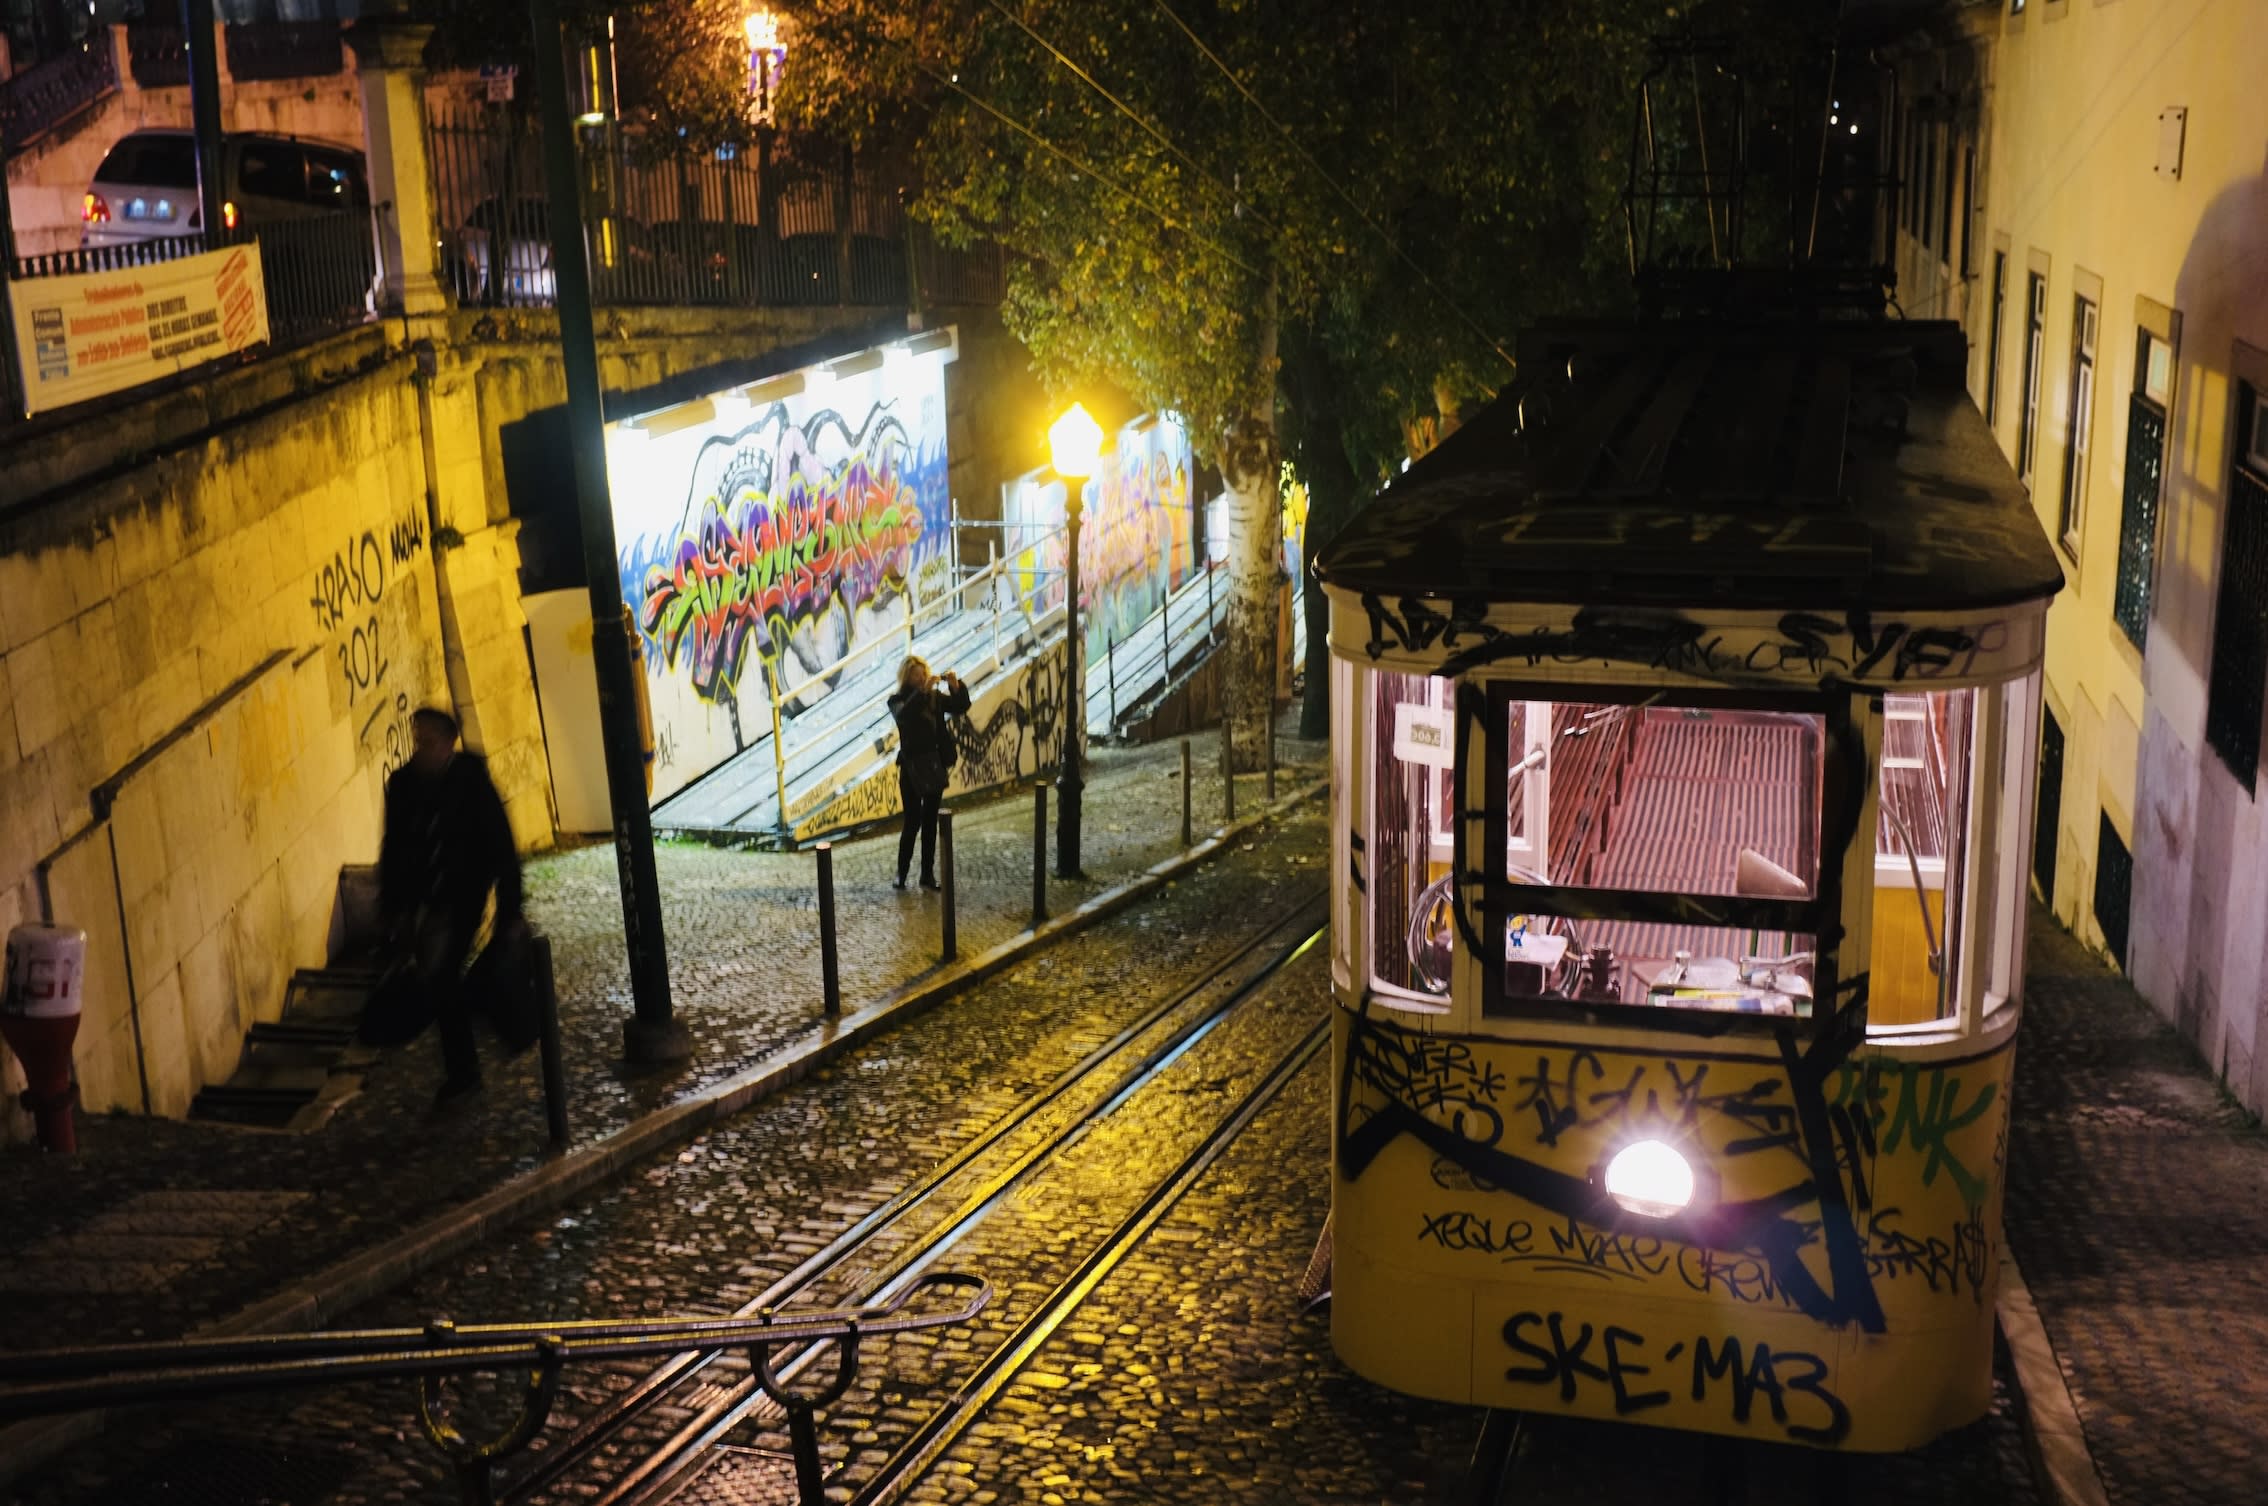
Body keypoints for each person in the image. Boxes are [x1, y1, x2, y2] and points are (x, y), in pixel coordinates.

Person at [379, 707, 525, 1106]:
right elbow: (393, 849)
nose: (420, 748)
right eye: (417, 740)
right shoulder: (404, 784)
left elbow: (501, 844)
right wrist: (394, 910)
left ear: (447, 744)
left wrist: (509, 909)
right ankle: (471, 1058)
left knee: (443, 975)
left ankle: (465, 1071)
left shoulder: (471, 782)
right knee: (441, 980)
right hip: (424, 900)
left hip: (463, 897)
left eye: (427, 741)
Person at [887, 656, 969, 890]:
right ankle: (901, 873)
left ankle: (927, 874)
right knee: (912, 821)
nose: (921, 678)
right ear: (906, 676)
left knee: (931, 821)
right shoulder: (897, 700)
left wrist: (956, 687)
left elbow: (960, 706)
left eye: (924, 673)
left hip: (933, 765)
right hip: (911, 767)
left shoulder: (934, 698)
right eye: (916, 674)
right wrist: (922, 691)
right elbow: (904, 717)